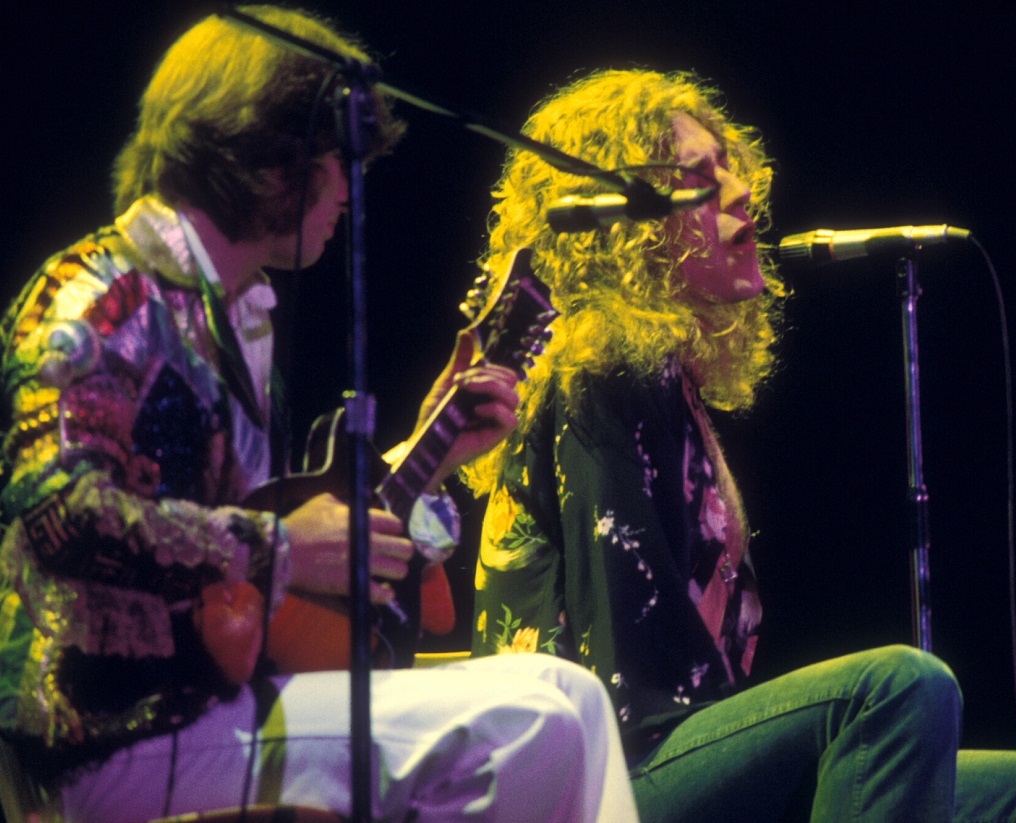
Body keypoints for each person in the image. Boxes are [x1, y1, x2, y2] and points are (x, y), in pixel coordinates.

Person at [0, 8, 638, 822]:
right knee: (527, 727)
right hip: (110, 736)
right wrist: (277, 547)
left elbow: (275, 555)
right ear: (271, 152)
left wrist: (428, 453)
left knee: (567, 690)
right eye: (339, 159)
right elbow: (57, 517)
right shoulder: (102, 294)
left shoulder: (244, 310)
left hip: (216, 707)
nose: (349, 187)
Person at [463, 68, 1016, 822]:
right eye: (699, 176)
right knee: (899, 687)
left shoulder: (669, 386)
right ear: (629, 217)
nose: (739, 193)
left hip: (669, 756)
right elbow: (630, 683)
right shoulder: (599, 373)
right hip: (595, 776)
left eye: (732, 169)